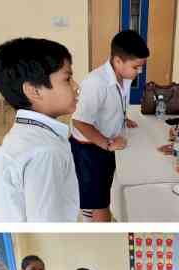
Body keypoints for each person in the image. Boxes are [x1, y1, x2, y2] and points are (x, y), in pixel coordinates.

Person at [0, 37, 79, 222]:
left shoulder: (22, 134)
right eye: (67, 78)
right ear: (34, 91)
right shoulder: (46, 152)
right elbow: (47, 221)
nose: (76, 87)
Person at [71, 29, 149, 222]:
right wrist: (106, 143)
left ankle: (92, 211)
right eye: (136, 67)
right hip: (89, 147)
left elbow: (114, 102)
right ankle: (96, 219)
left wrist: (122, 117)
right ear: (117, 61)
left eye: (141, 66)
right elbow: (79, 121)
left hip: (105, 141)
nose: (139, 71)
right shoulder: (95, 83)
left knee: (100, 189)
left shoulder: (126, 77)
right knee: (98, 199)